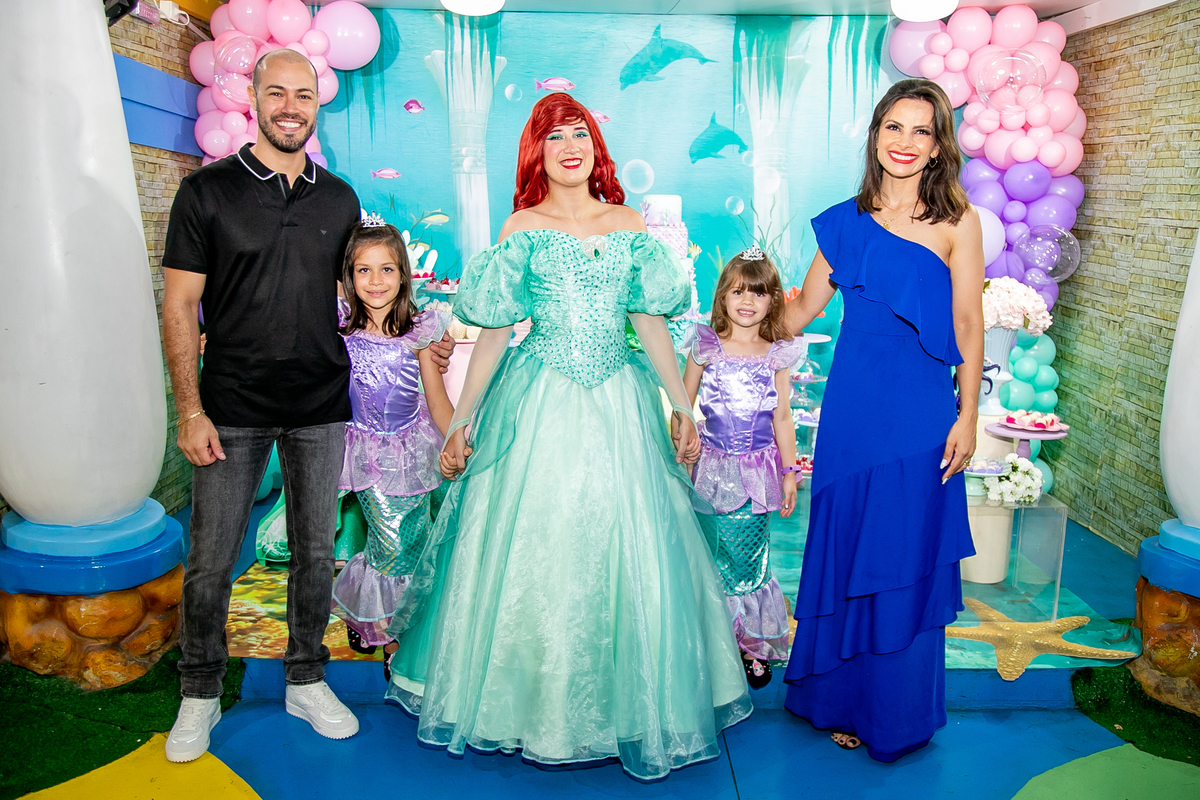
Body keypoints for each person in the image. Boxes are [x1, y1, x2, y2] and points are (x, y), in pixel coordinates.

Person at [383, 92, 752, 781]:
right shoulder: (522, 227)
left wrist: (681, 406)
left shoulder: (628, 223)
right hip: (539, 402)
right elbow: (496, 335)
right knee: (536, 548)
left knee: (630, 546)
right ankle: (529, 709)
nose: (570, 147)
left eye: (579, 133)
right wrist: (460, 421)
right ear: (538, 152)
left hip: (620, 403)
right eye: (555, 137)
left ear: (595, 147)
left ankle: (628, 710)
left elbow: (648, 324)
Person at [160, 49, 364, 762]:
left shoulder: (340, 199)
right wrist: (190, 410)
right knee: (212, 558)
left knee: (315, 553)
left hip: (320, 404)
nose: (290, 107)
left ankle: (306, 678)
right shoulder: (205, 193)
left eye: (303, 95)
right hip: (230, 408)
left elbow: (359, 296)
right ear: (252, 97)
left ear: (317, 104)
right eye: (276, 93)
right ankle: (199, 691)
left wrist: (415, 341)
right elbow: (179, 306)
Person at [780, 78, 983, 761]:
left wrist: (969, 415)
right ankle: (839, 701)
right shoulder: (844, 221)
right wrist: (730, 321)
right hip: (852, 412)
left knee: (901, 552)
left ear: (938, 146)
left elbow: (967, 323)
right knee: (849, 545)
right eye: (894, 126)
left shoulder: (958, 222)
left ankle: (892, 710)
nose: (905, 141)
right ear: (875, 136)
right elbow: (799, 312)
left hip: (920, 413)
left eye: (921, 130)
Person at [331, 218, 453, 680]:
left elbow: (436, 399)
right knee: (390, 542)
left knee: (411, 542)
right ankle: (392, 636)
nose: (376, 281)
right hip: (366, 453)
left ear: (403, 274)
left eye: (386, 269)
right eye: (363, 270)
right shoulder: (339, 326)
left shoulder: (420, 330)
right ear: (349, 276)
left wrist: (458, 438)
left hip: (414, 452)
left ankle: (388, 622)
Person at [683, 249, 804, 690]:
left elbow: (782, 417)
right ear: (723, 297)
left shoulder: (776, 354)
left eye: (758, 293)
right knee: (711, 554)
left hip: (757, 473)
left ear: (773, 300)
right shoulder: (706, 346)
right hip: (710, 470)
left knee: (750, 556)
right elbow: (682, 403)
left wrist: (789, 471)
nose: (748, 301)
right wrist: (683, 443)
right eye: (738, 292)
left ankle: (751, 642)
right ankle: (715, 641)